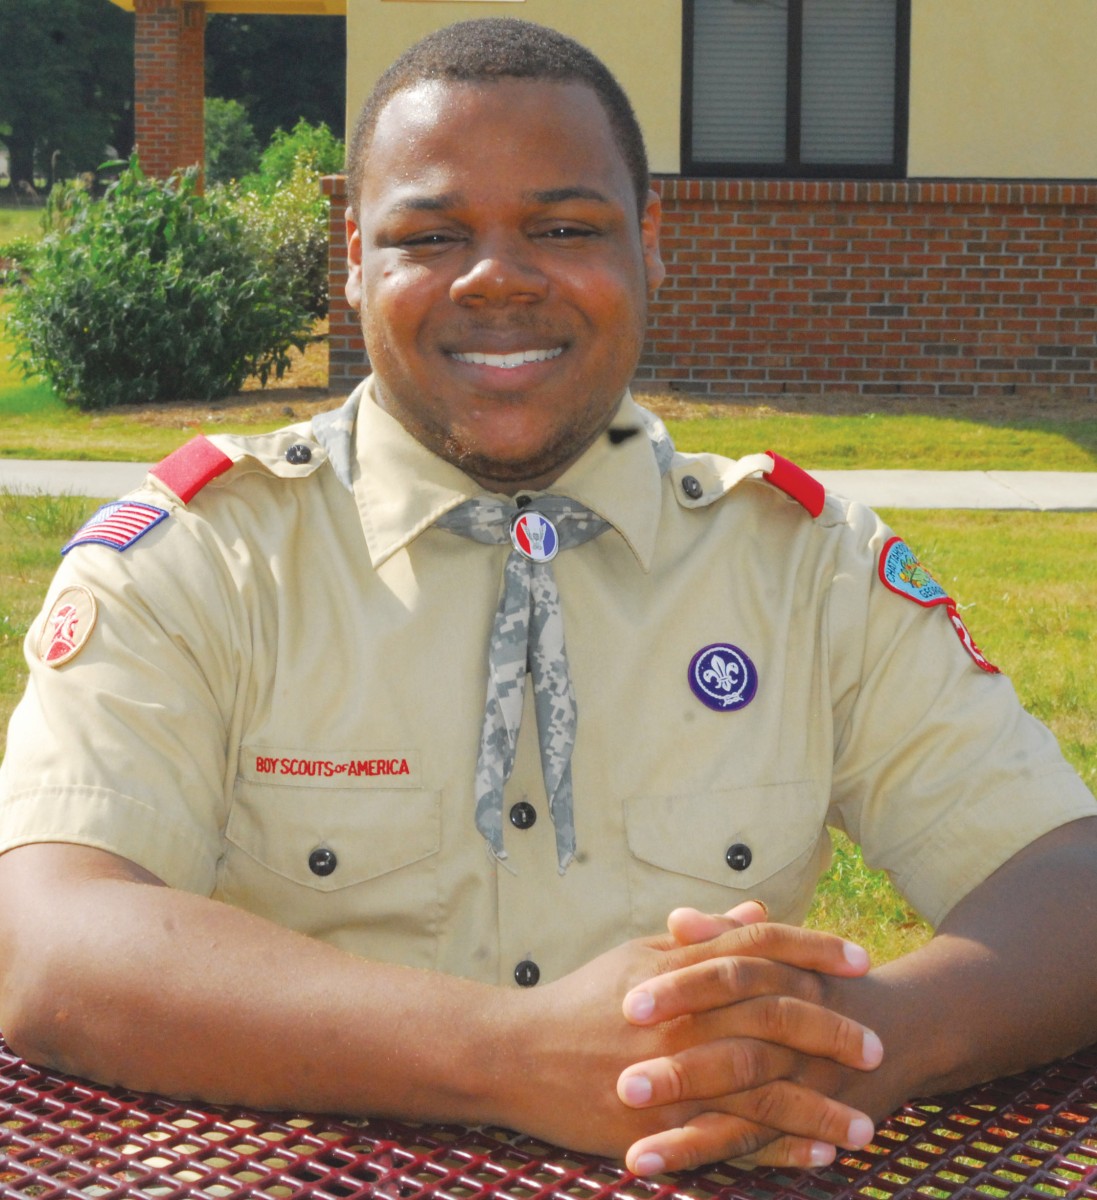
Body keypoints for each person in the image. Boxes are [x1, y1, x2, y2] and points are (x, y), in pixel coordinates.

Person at [1, 17, 1095, 1180]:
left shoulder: (802, 568)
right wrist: (502, 1056)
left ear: (649, 243)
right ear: (352, 258)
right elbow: (49, 936)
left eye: (564, 227)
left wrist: (868, 1043)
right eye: (430, 235)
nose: (498, 278)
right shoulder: (200, 561)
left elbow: (1063, 883)